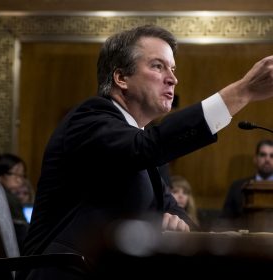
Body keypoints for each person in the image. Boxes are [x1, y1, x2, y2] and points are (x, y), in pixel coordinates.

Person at [17, 24, 273, 279]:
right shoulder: (90, 120)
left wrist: (176, 219)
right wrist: (241, 92)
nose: (173, 78)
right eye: (157, 66)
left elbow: (172, 205)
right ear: (121, 78)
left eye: (172, 68)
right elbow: (146, 147)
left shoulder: (141, 146)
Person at [221, 139, 273, 229]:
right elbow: (225, 221)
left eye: (272, 156)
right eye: (263, 155)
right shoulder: (238, 186)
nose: (267, 159)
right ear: (255, 159)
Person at [0, 153, 29, 251]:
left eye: (23, 175)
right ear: (0, 176)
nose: (20, 180)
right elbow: (24, 238)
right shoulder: (7, 199)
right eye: (15, 174)